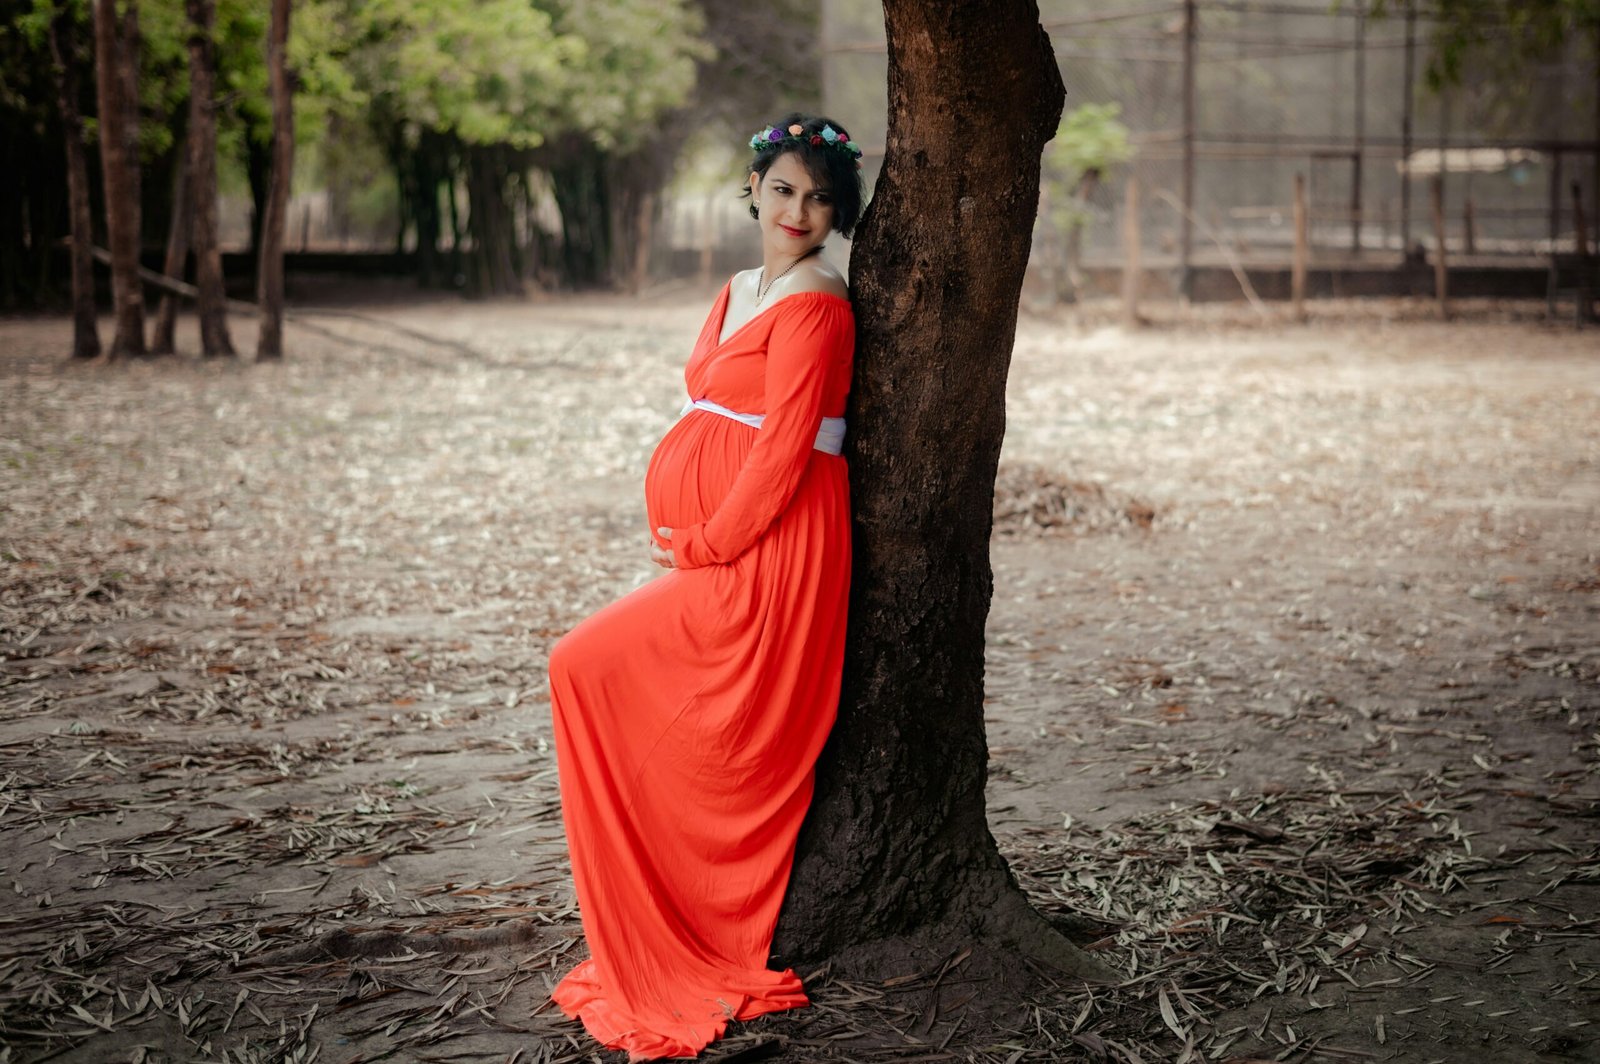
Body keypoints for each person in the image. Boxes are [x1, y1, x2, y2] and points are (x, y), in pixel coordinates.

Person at [545, 113, 866, 1060]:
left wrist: (705, 543)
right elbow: (710, 403)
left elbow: (781, 455)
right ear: (755, 192)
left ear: (836, 208)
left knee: (583, 664)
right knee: (599, 680)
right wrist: (680, 518)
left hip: (772, 551)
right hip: (721, 543)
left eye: (818, 197)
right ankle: (645, 910)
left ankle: (679, 921)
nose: (798, 210)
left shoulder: (819, 301)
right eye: (782, 190)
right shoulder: (737, 289)